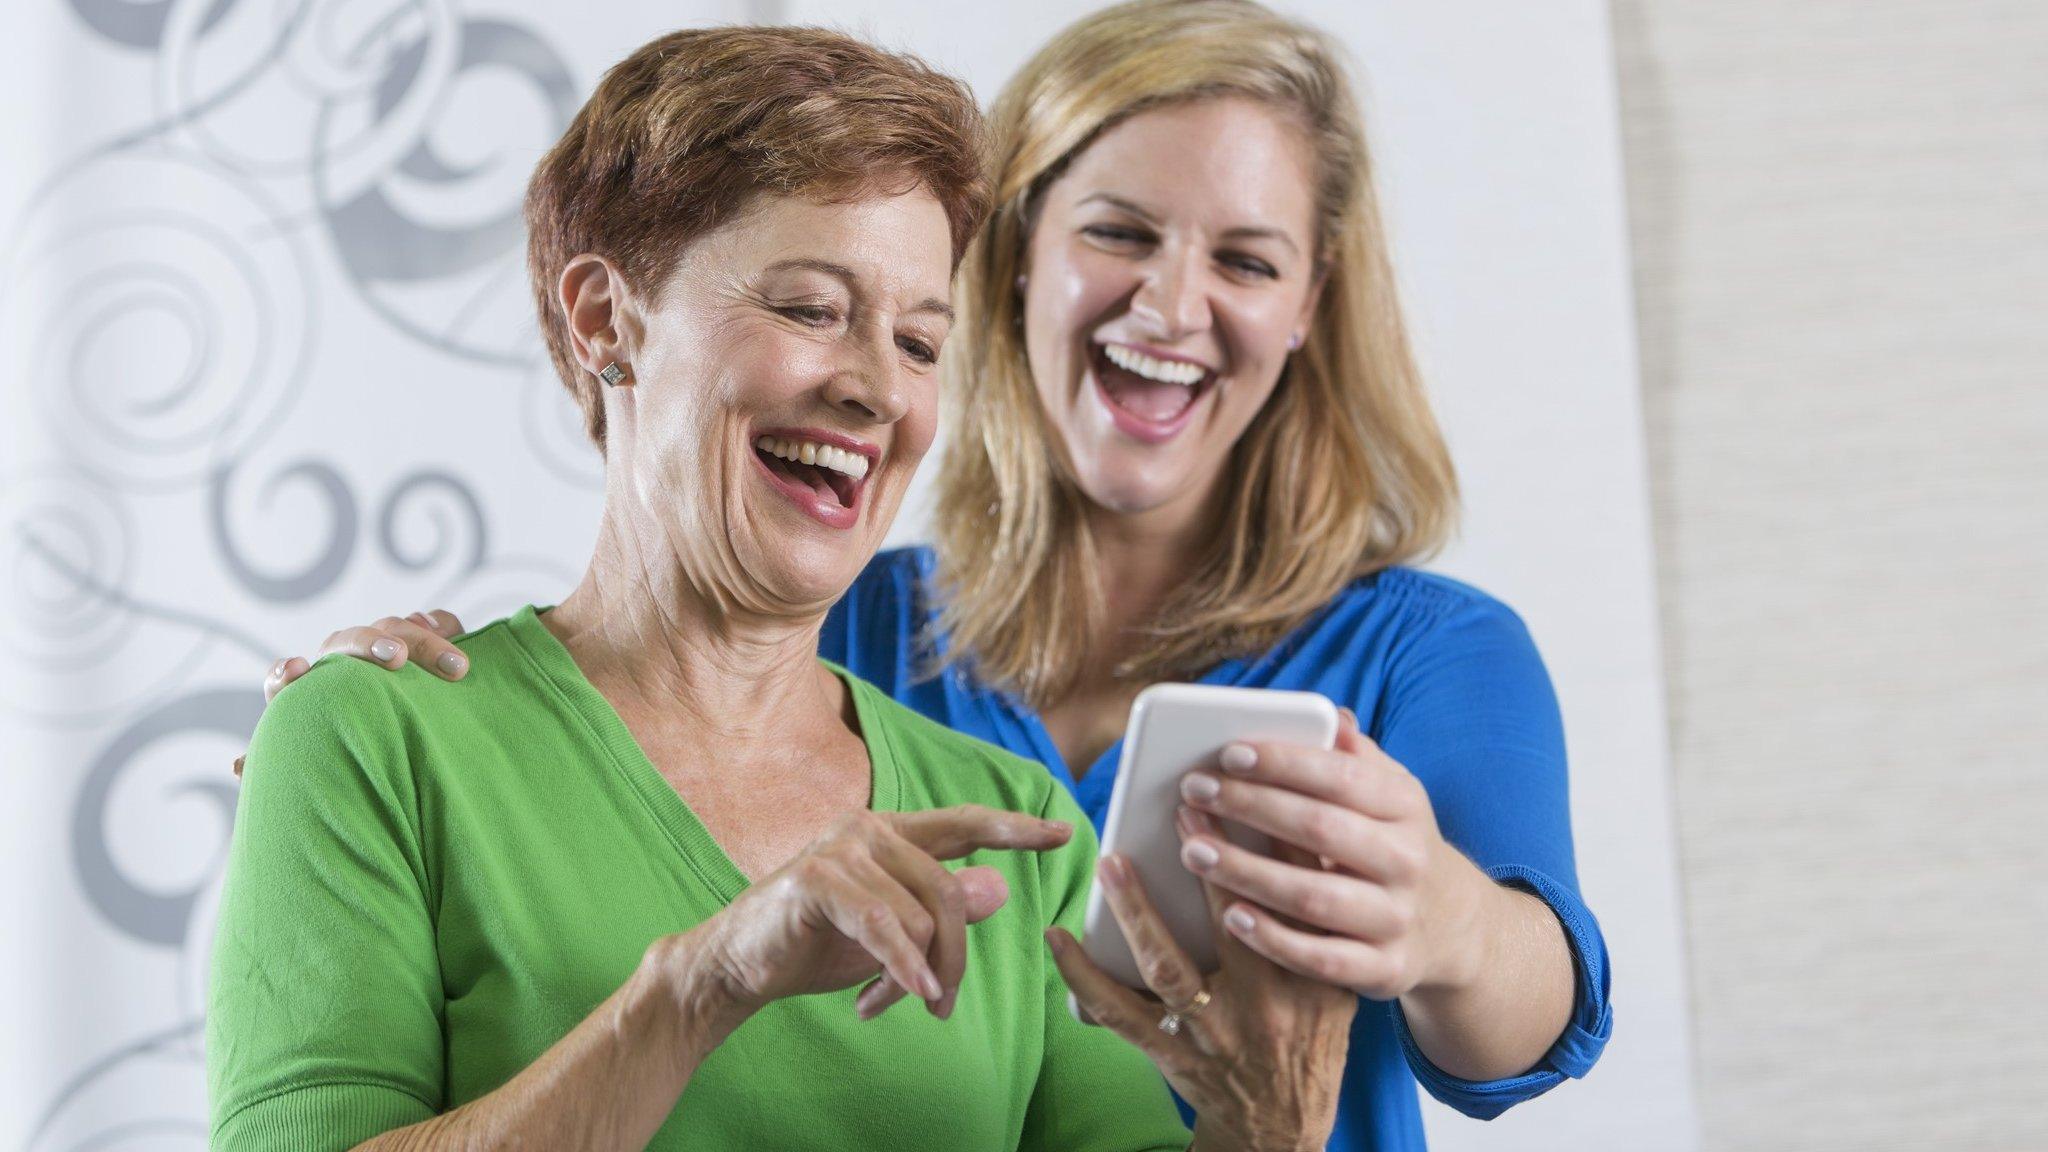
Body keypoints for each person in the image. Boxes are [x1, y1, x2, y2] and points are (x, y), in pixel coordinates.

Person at [254, 1, 1613, 1147]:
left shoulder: (1026, 804)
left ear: (1310, 303)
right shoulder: (875, 622)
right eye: (806, 305)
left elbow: (1532, 1015)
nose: (1172, 304)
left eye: (915, 338)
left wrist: (1427, 942)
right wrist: (379, 729)